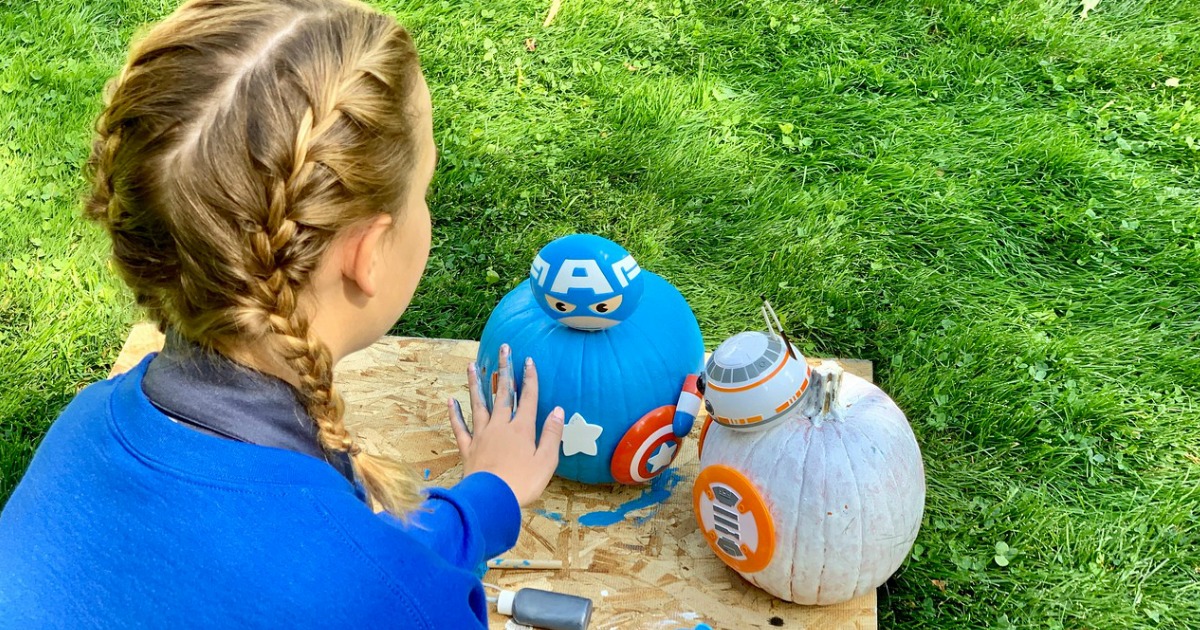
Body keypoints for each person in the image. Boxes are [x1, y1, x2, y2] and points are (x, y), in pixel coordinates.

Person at [0, 0, 565, 626]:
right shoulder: (397, 601)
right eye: (423, 191)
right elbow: (362, 581)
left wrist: (489, 499)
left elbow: (338, 565)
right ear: (368, 252)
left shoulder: (81, 432)